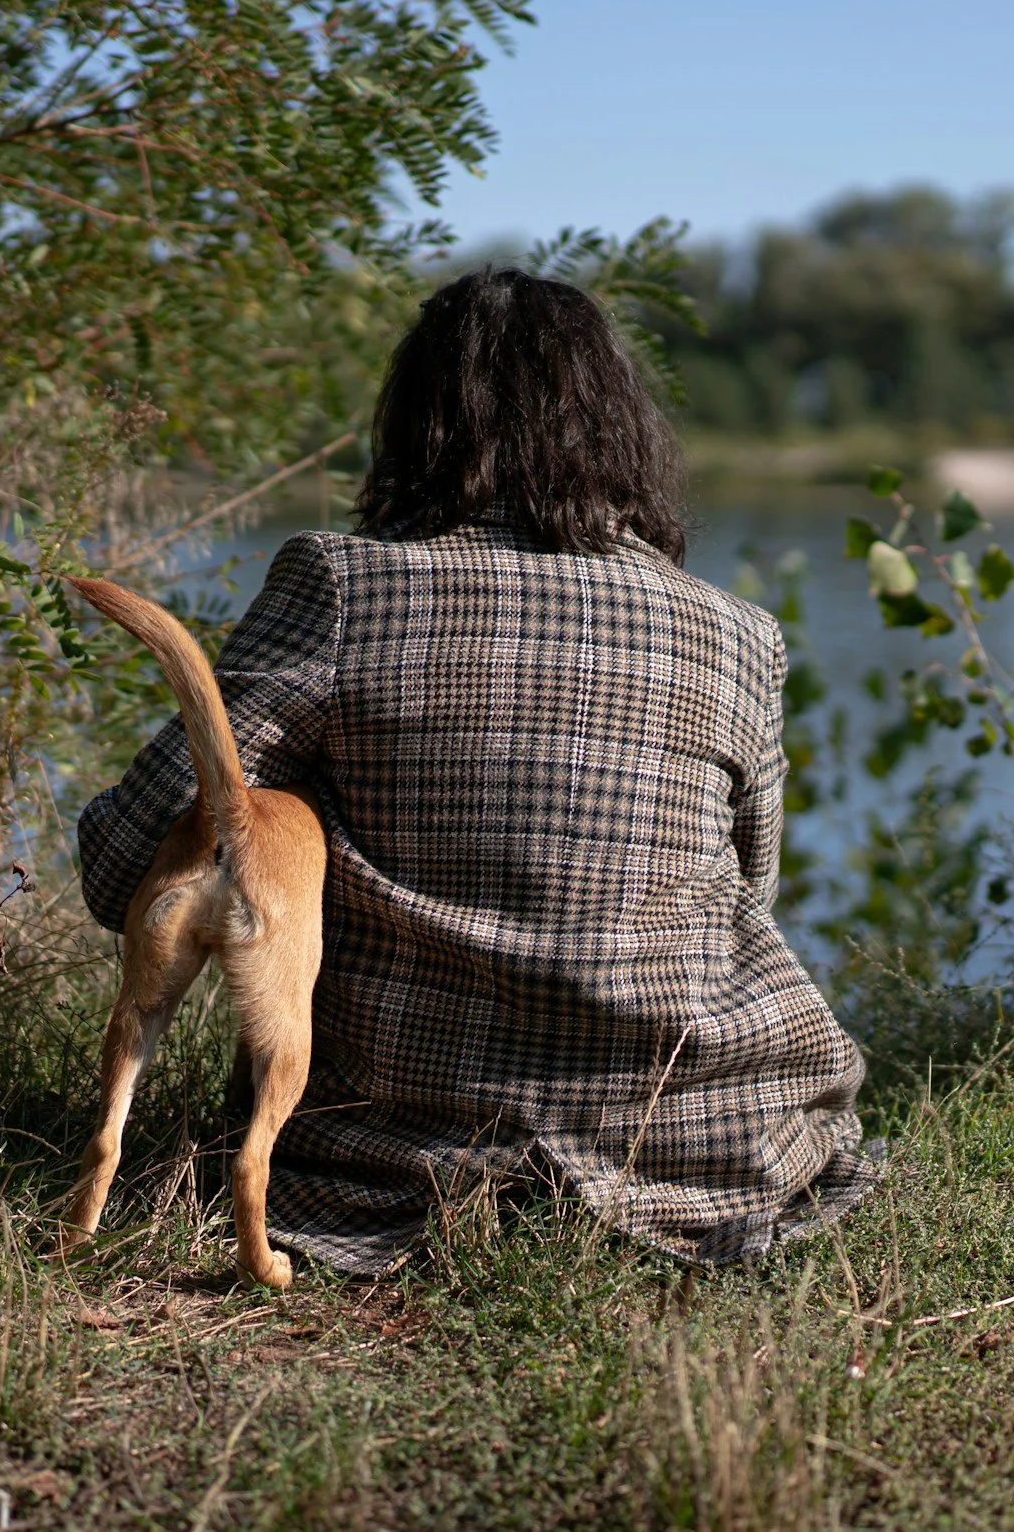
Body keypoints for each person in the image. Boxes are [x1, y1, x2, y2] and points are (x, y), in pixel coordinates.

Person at [76, 267, 877, 1274]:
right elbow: (747, 895)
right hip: (697, 1153)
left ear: (414, 427)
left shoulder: (342, 586)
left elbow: (122, 869)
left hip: (382, 1163)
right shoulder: (738, 633)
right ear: (624, 434)